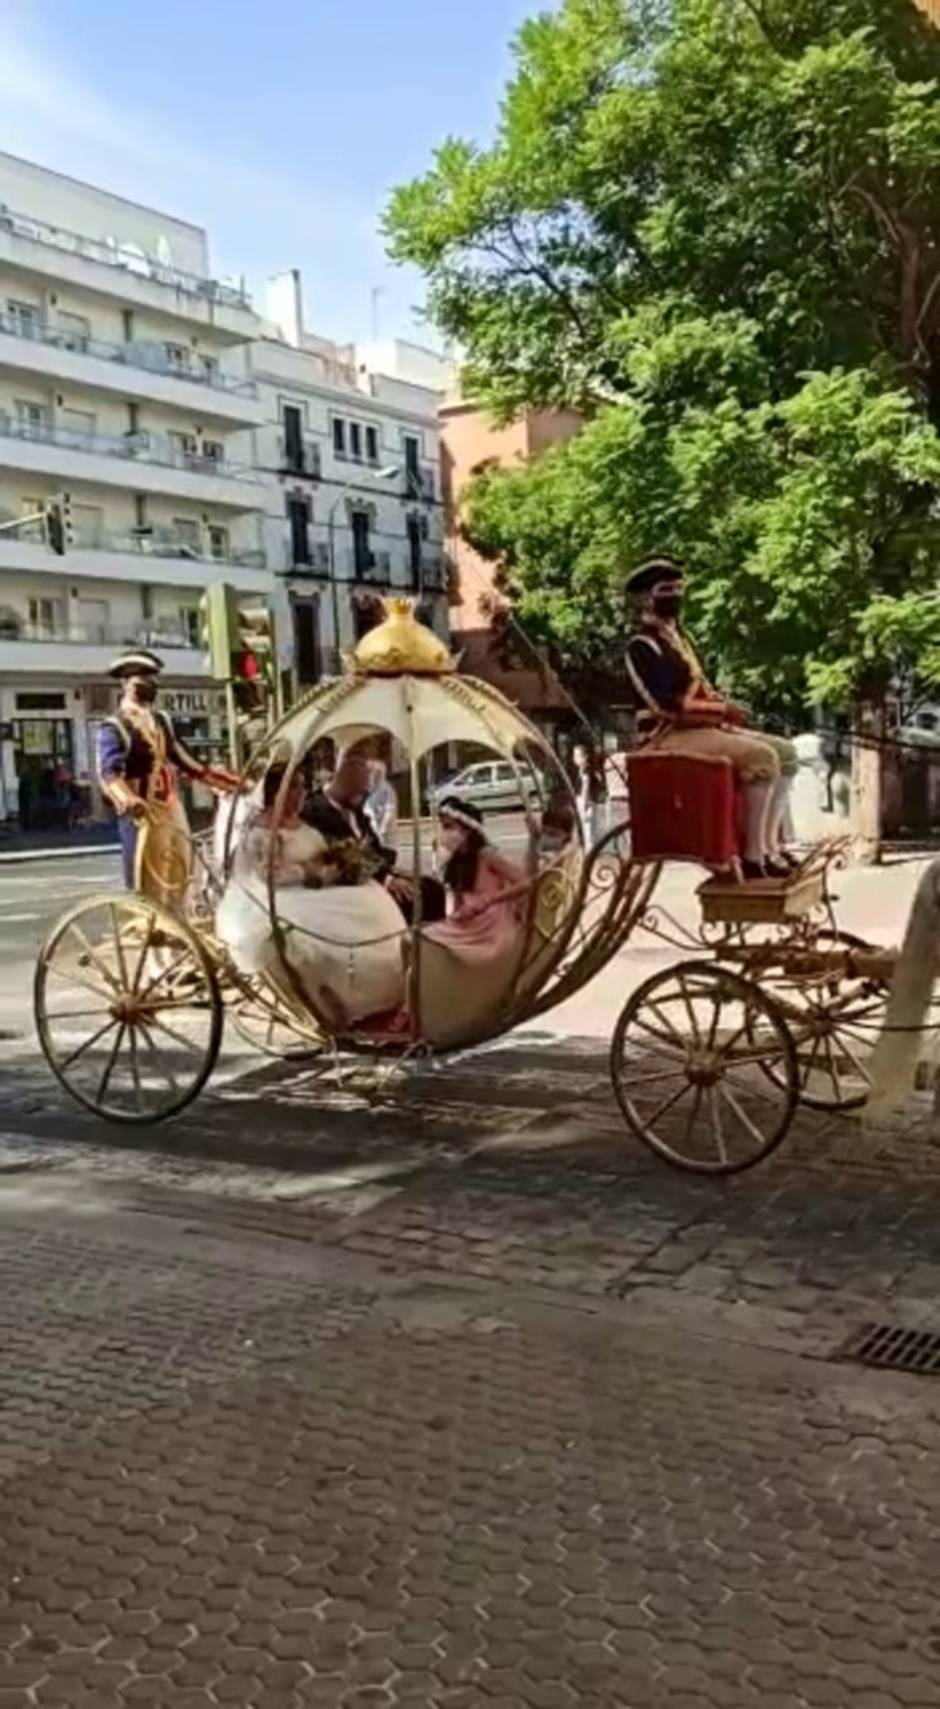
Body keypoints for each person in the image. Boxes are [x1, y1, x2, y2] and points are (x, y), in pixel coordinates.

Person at [623, 557, 798, 880]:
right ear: (647, 598)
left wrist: (728, 707)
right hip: (666, 736)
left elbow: (702, 689)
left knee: (786, 753)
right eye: (667, 590)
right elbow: (665, 706)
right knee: (761, 757)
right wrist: (721, 711)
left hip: (702, 728)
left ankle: (773, 847)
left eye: (678, 588)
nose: (676, 595)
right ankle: (752, 857)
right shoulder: (641, 646)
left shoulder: (680, 639)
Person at [216, 763, 406, 1028]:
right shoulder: (262, 829)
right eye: (293, 786)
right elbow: (269, 875)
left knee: (373, 903)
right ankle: (330, 1001)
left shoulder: (302, 821)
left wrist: (341, 863)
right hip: (279, 894)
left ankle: (378, 993)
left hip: (317, 887)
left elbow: (320, 854)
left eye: (302, 785)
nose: (300, 792)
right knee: (316, 936)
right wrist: (310, 873)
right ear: (275, 790)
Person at [96, 649, 239, 910]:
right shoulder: (115, 726)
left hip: (171, 807)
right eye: (144, 679)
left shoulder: (161, 721)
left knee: (181, 868)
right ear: (126, 684)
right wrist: (128, 799)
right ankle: (151, 927)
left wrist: (231, 783)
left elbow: (188, 762)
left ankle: (179, 926)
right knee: (151, 878)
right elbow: (108, 773)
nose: (152, 684)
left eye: (153, 678)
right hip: (144, 814)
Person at [303, 743, 445, 924]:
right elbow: (340, 859)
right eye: (362, 786)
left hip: (373, 877)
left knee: (433, 887)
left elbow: (375, 849)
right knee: (417, 898)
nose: (365, 792)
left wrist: (391, 870)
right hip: (346, 888)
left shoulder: (356, 811)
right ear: (347, 773)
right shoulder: (315, 810)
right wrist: (387, 879)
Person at [423, 796, 529, 967]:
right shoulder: (456, 859)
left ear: (467, 830)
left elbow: (525, 883)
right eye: (443, 827)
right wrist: (455, 916)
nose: (444, 833)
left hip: (490, 922)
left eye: (449, 827)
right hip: (468, 920)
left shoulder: (486, 855)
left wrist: (487, 901)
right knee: (425, 937)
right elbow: (458, 899)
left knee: (434, 940)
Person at [571, 743, 603, 846]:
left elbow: (585, 788)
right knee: (591, 831)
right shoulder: (587, 770)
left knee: (588, 832)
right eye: (574, 756)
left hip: (586, 803)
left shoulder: (586, 771)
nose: (575, 759)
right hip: (589, 802)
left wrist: (584, 806)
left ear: (585, 757)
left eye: (577, 756)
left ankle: (589, 855)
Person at [366, 758, 398, 848]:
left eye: (377, 773)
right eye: (371, 772)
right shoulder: (367, 790)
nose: (373, 775)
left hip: (384, 833)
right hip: (371, 832)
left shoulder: (388, 790)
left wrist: (382, 829)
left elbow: (390, 811)